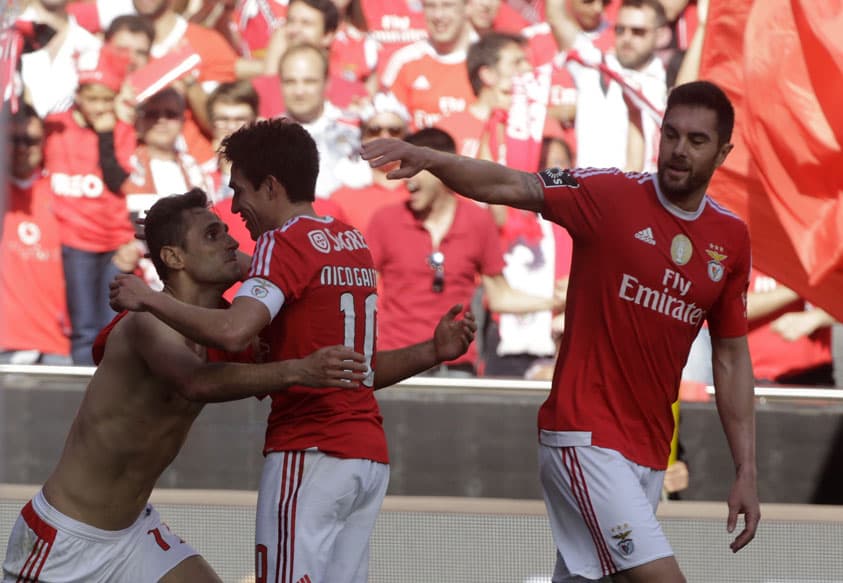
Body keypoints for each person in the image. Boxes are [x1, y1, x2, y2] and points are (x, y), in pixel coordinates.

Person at [361, 80, 760, 581]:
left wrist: (745, 469)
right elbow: (511, 184)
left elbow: (731, 358)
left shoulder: (730, 239)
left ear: (723, 152)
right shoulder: (609, 194)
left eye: (697, 141)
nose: (679, 150)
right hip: (584, 436)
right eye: (671, 134)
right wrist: (430, 157)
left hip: (650, 449)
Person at [108, 118, 477, 583]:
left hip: (310, 451)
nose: (237, 206)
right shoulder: (350, 241)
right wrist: (431, 351)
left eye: (240, 190)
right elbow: (354, 370)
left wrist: (150, 297)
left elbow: (234, 332)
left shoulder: (280, 243)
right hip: (366, 459)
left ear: (269, 187)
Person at [2, 189, 369, 582]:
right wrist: (298, 370)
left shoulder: (226, 328)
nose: (231, 241)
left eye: (228, 231)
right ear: (174, 258)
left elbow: (345, 366)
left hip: (132, 534)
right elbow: (195, 381)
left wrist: (431, 351)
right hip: (64, 537)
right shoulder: (147, 319)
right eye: (213, 235)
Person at [367, 127, 562, 377]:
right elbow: (364, 293)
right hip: (398, 362)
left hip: (456, 366)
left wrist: (555, 302)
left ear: (439, 169)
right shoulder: (385, 221)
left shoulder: (478, 221)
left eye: (413, 169)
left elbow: (500, 296)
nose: (407, 179)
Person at [43, 45, 137, 365]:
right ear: (78, 95)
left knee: (113, 326)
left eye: (106, 99)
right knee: (84, 327)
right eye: (92, 98)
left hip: (114, 243)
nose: (99, 107)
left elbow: (116, 180)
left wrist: (106, 135)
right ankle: (82, 398)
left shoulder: (121, 132)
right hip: (76, 243)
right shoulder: (54, 128)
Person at [0, 104, 70, 365]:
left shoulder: (60, 191)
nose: (22, 147)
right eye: (13, 139)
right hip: (6, 342)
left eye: (30, 140)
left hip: (56, 343)